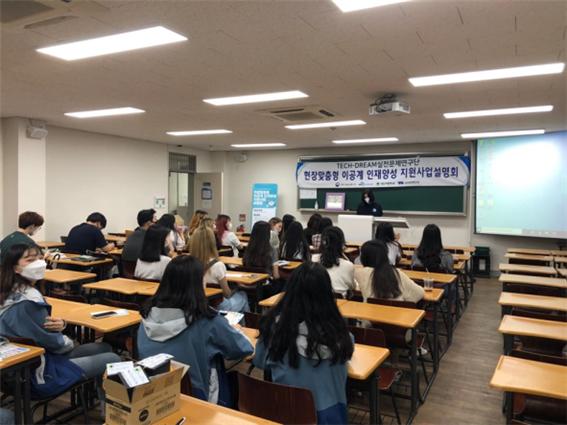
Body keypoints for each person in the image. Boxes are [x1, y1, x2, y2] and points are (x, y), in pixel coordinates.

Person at [0, 244, 120, 399]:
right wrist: (69, 341)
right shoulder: (29, 302)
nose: (38, 263)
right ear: (15, 268)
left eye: (40, 258)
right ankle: (110, 411)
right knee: (113, 359)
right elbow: (52, 342)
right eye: (30, 260)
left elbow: (42, 332)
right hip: (36, 374)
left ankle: (92, 398)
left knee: (103, 347)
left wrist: (62, 326)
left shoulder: (9, 291)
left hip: (15, 370)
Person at [137, 255, 253, 405]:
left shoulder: (146, 317)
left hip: (152, 396)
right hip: (198, 399)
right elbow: (243, 349)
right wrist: (234, 330)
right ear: (197, 285)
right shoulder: (208, 321)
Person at [253, 262, 354, 424]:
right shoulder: (341, 335)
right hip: (332, 417)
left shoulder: (275, 331)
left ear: (290, 291)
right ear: (327, 295)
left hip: (285, 415)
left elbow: (259, 361)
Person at [190, 226, 249, 312]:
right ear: (212, 242)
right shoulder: (218, 265)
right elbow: (227, 294)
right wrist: (235, 289)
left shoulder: (188, 264)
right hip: (218, 307)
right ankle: (241, 320)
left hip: (198, 305)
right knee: (243, 295)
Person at [355, 239, 424, 303]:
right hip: (396, 312)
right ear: (385, 255)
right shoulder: (398, 273)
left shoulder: (360, 273)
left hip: (369, 312)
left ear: (363, 258)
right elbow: (419, 293)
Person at [312, 227, 355, 297]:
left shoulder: (312, 259)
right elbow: (352, 286)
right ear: (342, 244)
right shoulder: (348, 265)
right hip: (338, 301)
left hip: (315, 299)